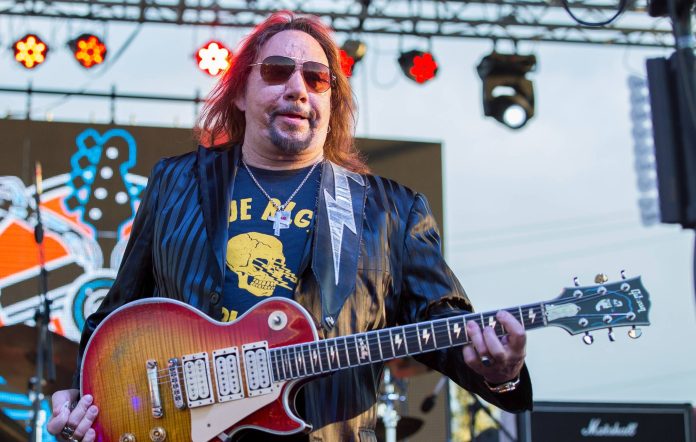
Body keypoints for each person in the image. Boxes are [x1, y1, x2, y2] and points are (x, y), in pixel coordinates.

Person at [47, 11, 532, 442]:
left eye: (317, 78)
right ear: (239, 92)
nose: (297, 88)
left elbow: (440, 323)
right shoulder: (178, 182)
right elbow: (118, 312)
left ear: (331, 100)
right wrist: (82, 397)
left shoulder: (389, 212)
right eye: (278, 72)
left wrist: (500, 373)